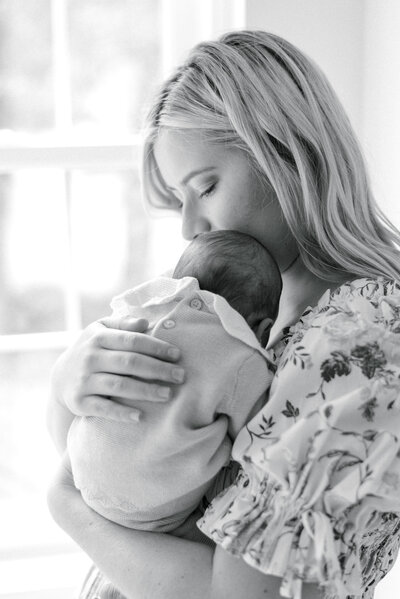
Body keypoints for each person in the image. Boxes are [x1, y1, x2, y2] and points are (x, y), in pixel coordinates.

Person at [46, 30, 400, 599]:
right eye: (178, 200)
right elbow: (121, 458)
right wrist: (68, 384)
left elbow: (238, 594)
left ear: (286, 152)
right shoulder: (244, 303)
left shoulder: (362, 341)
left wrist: (63, 506)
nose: (189, 227)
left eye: (205, 187)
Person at [67, 229, 280, 536]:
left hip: (82, 468)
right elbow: (256, 429)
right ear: (263, 329)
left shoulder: (145, 307)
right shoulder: (243, 359)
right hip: (156, 510)